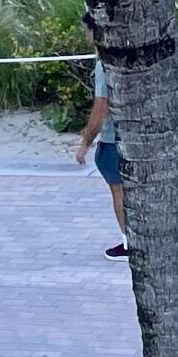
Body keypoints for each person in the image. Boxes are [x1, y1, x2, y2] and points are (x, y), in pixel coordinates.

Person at [75, 51, 127, 259]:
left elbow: (100, 107)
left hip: (113, 138)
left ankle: (128, 243)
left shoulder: (104, 63)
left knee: (118, 191)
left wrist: (85, 144)